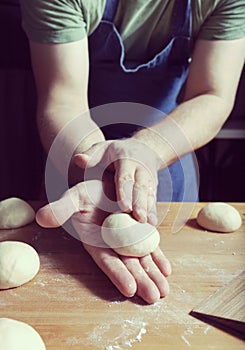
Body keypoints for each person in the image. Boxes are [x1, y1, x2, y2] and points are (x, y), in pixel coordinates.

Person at [19, 0, 245, 303]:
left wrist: (146, 151)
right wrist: (95, 167)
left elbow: (212, 94)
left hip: (166, 154)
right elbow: (63, 99)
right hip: (74, 158)